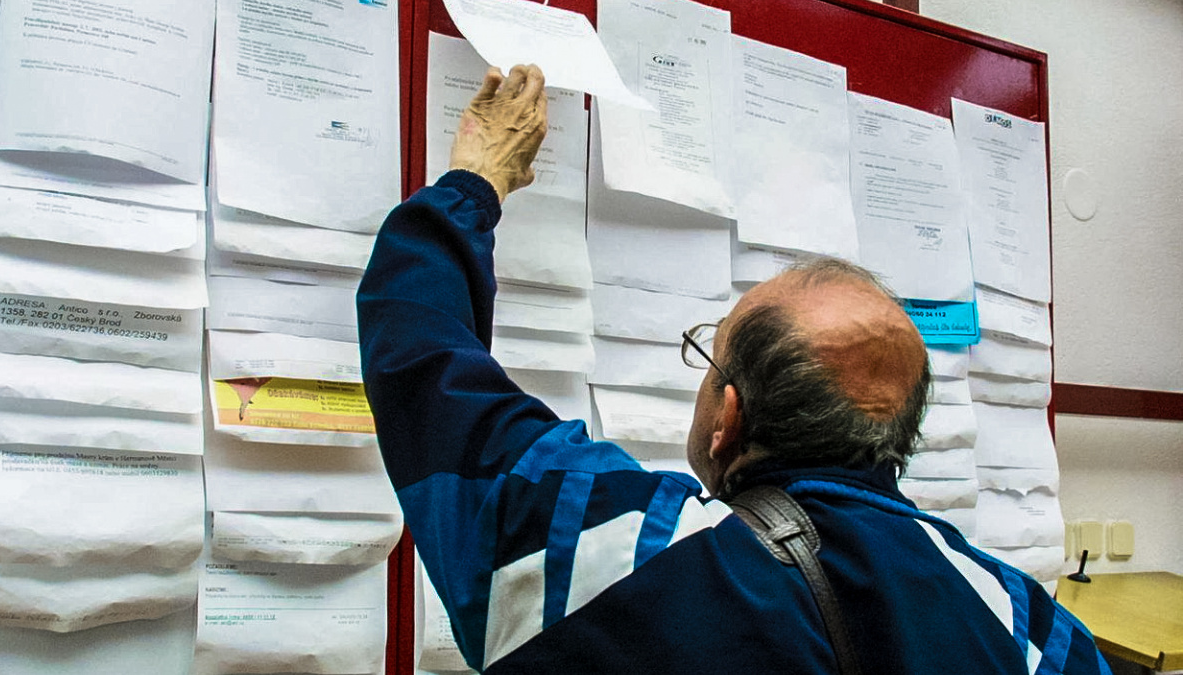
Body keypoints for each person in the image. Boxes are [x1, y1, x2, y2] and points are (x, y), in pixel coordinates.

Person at [357, 64, 1111, 674]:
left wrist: (474, 182)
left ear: (729, 418)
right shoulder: (1027, 626)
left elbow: (422, 357)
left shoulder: (617, 548)